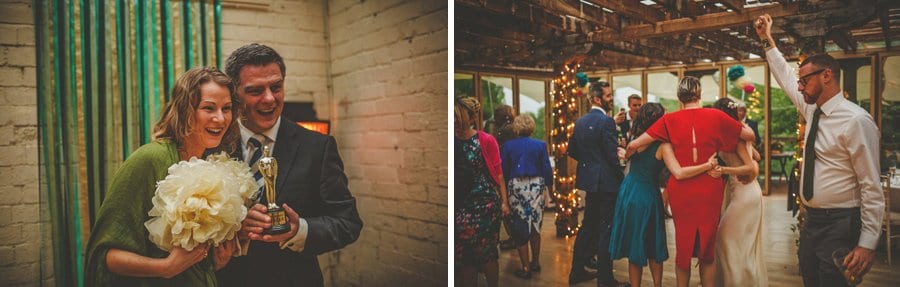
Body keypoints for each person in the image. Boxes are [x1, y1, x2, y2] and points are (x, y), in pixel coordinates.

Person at [216, 43, 362, 286]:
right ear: (235, 93)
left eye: (276, 87)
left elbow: (347, 222)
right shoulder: (213, 145)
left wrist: (299, 229)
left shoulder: (318, 146)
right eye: (255, 91)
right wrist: (231, 228)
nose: (269, 98)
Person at [756, 14, 884, 286]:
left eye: (804, 80)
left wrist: (867, 243)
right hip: (812, 221)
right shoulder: (812, 109)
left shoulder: (856, 121)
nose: (799, 86)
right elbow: (784, 77)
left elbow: (871, 185)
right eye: (800, 81)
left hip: (842, 222)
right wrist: (768, 41)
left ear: (827, 76)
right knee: (811, 279)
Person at [84, 67, 241, 286]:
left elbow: (190, 260)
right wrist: (165, 268)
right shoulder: (147, 160)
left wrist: (217, 261)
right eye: (208, 108)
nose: (220, 118)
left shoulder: (210, 166)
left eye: (227, 108)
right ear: (186, 110)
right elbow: (105, 256)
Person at [625, 76, 755, 287]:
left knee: (683, 247)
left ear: (679, 96)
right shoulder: (715, 116)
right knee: (707, 251)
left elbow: (636, 144)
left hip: (682, 190)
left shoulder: (668, 120)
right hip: (709, 186)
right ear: (699, 94)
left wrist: (626, 154)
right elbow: (748, 135)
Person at [609, 103, 705, 287]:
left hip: (628, 192)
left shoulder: (635, 139)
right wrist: (706, 166)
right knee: (654, 245)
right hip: (647, 196)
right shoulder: (663, 145)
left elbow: (626, 155)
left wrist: (624, 154)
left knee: (634, 245)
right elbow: (678, 172)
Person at [567, 81, 628, 287]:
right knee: (605, 230)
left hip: (590, 183)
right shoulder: (607, 122)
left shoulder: (580, 122)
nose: (611, 99)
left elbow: (572, 151)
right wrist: (622, 174)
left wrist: (591, 161)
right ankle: (605, 280)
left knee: (587, 228)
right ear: (596, 98)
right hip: (607, 183)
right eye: (609, 96)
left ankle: (576, 272)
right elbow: (612, 157)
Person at [706, 98, 768, 287]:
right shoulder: (736, 134)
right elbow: (755, 157)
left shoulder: (736, 136)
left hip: (745, 194)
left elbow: (749, 166)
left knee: (725, 240)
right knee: (739, 243)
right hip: (743, 192)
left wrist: (724, 170)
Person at [454, 96, 510, 287]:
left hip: (486, 206)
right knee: (465, 255)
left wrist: (504, 202)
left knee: (486, 251)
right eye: (452, 116)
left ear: (471, 117)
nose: (454, 120)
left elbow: (500, 175)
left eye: (458, 116)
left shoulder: (486, 140)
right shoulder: (450, 141)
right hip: (460, 205)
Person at [501, 115, 553, 280]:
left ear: (516, 128)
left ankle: (525, 268)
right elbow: (547, 169)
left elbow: (504, 171)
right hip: (536, 186)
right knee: (536, 225)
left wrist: (504, 196)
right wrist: (550, 192)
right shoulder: (540, 145)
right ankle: (535, 262)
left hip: (516, 187)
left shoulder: (508, 146)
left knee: (520, 226)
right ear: (532, 127)